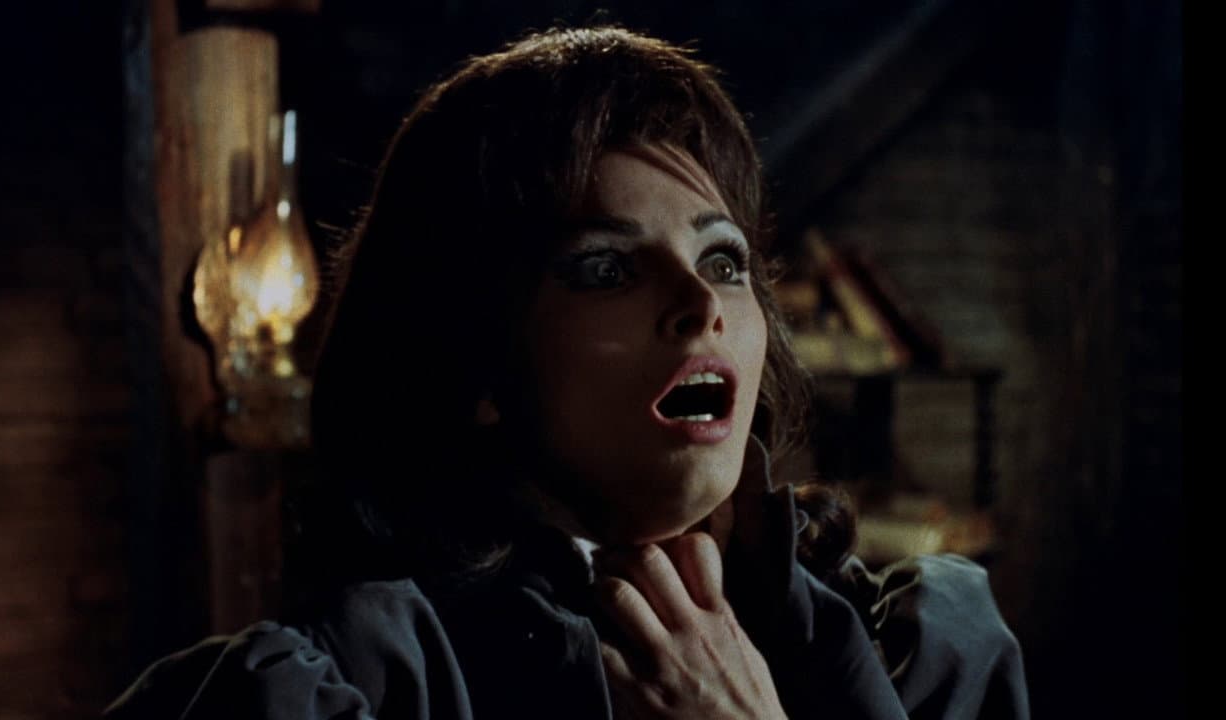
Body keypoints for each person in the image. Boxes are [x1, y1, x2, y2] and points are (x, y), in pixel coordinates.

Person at [106, 26, 1029, 720]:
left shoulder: (912, 654)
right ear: (475, 361)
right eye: (608, 269)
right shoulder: (349, 689)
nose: (700, 304)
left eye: (723, 261)